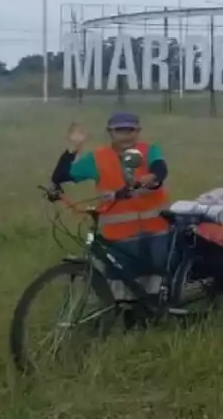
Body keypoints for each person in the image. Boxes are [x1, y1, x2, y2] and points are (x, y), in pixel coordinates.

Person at [50, 112, 171, 310]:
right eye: (119, 130)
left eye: (130, 130)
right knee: (119, 275)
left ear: (138, 131)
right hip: (119, 235)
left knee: (155, 272)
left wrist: (151, 177)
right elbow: (61, 175)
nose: (125, 136)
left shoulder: (149, 150)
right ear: (110, 133)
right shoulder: (98, 158)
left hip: (156, 229)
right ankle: (125, 313)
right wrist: (74, 148)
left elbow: (160, 169)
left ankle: (155, 311)